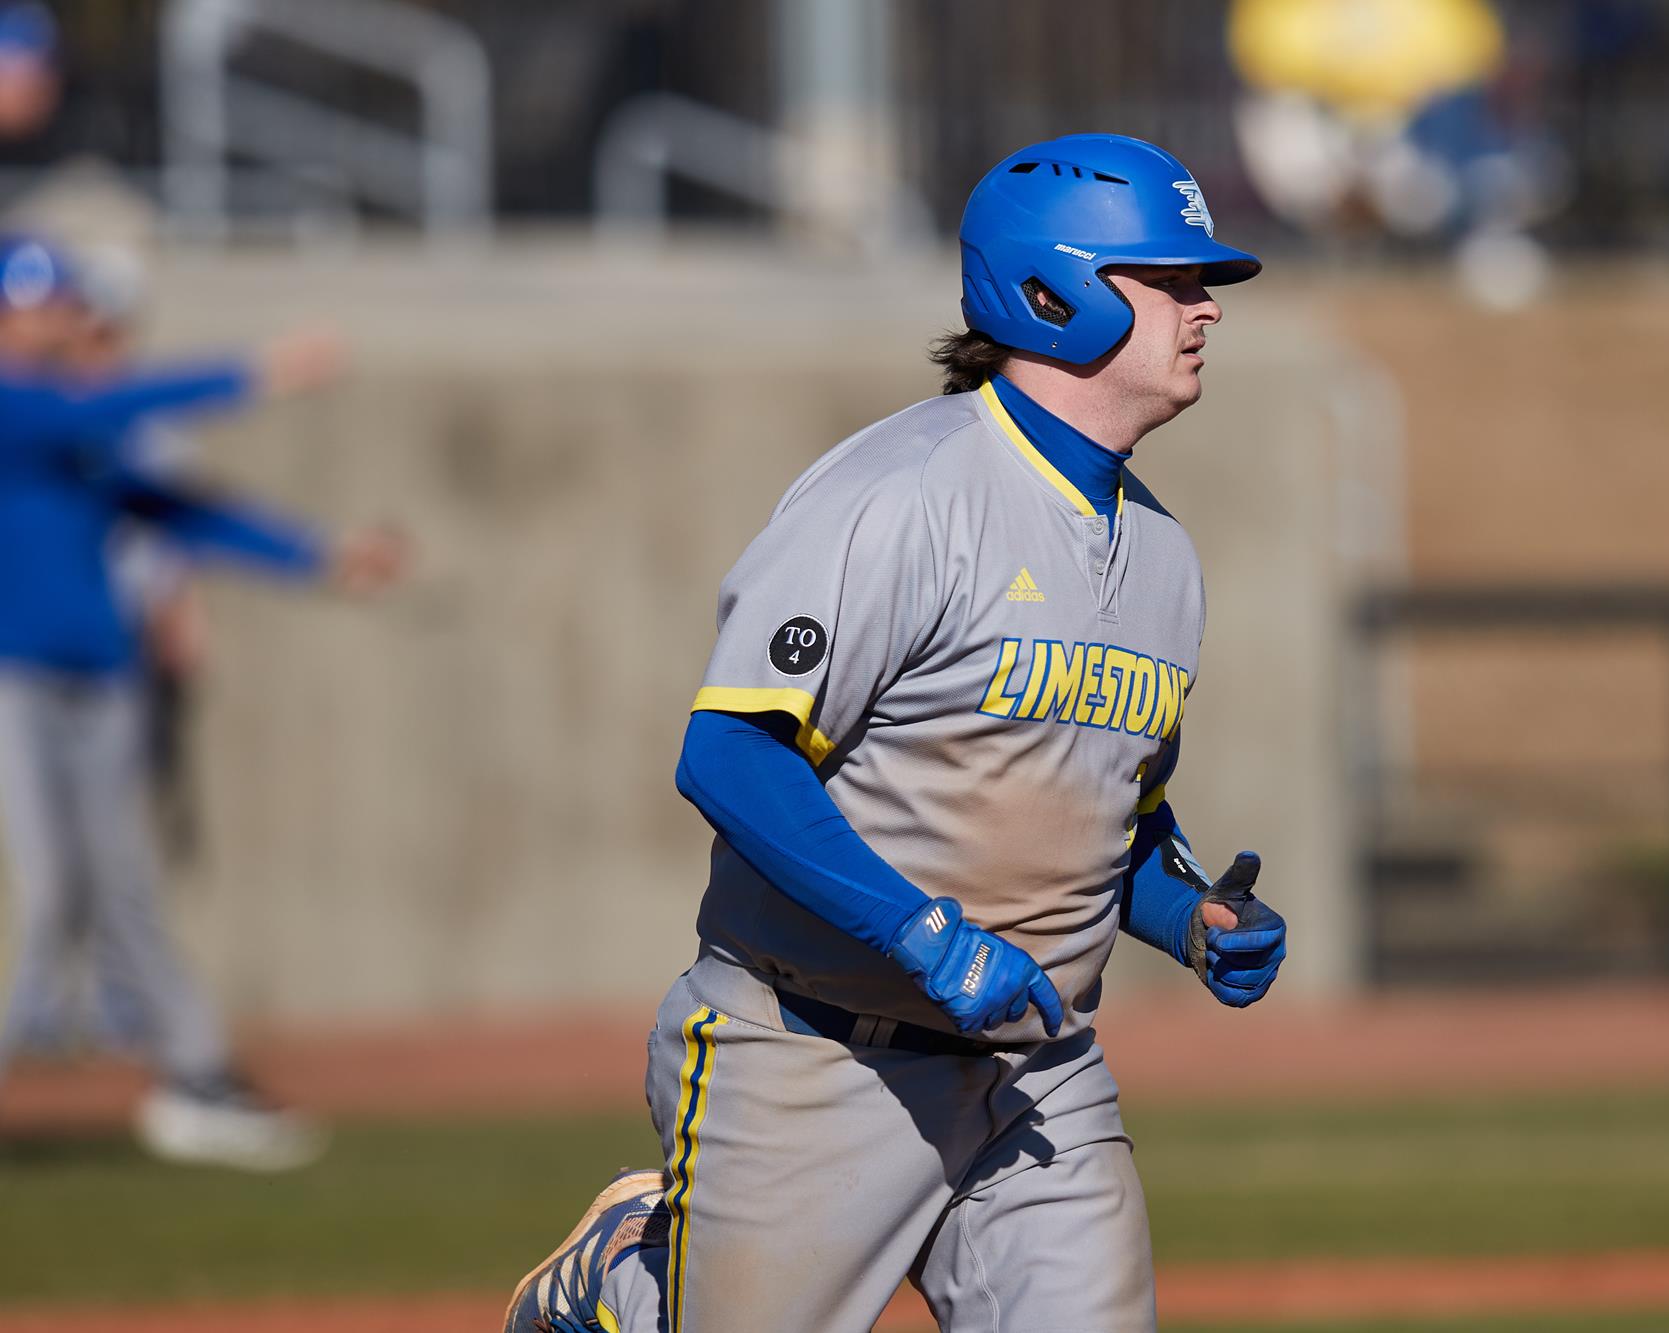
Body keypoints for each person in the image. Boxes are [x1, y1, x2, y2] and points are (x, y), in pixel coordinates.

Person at [505, 133, 1289, 1331]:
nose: (1202, 309)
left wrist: (1191, 916)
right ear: (1052, 293)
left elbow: (1111, 815)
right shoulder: (902, 493)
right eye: (1171, 279)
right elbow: (730, 753)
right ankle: (628, 1282)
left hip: (1036, 1074)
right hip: (814, 1056)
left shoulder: (1165, 553)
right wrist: (925, 935)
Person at [0, 234, 408, 1170]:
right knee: (54, 885)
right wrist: (258, 371)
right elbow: (110, 403)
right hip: (16, 678)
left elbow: (179, 510)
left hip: (101, 676)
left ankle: (194, 1071)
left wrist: (322, 554)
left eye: (57, 304)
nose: (52, 320)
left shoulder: (80, 428)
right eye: (31, 305)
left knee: (125, 877)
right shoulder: (27, 410)